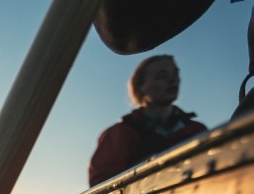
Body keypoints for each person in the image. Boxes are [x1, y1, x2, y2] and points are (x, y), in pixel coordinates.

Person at [88, 55, 207, 187]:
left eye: (175, 74)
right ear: (140, 87)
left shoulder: (197, 129)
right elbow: (103, 186)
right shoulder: (120, 134)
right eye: (162, 75)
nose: (173, 80)